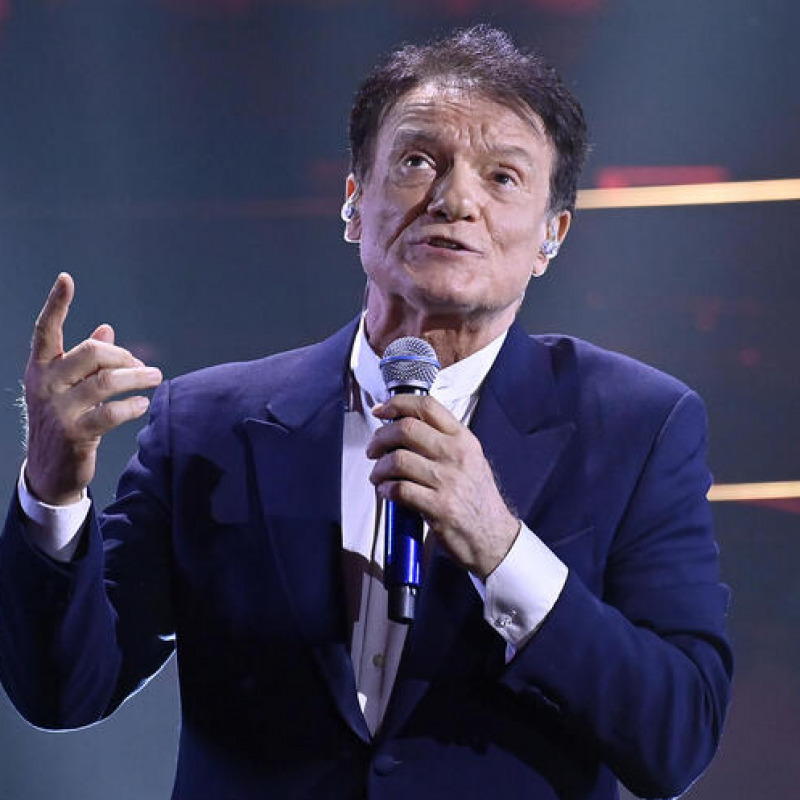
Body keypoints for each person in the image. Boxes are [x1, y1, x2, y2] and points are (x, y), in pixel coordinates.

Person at [0, 25, 732, 800]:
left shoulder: (639, 426)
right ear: (354, 202)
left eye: (503, 177)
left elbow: (676, 739)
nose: (455, 200)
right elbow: (63, 691)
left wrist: (500, 543)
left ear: (551, 236)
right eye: (419, 161)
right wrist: (51, 488)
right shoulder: (207, 425)